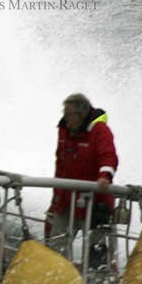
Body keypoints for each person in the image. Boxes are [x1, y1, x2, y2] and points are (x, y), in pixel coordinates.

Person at [48, 92, 119, 270]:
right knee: (56, 245)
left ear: (80, 115)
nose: (65, 117)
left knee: (97, 249)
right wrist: (55, 197)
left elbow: (108, 156)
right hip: (65, 200)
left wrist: (104, 177)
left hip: (95, 203)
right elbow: (60, 163)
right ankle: (58, 279)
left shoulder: (100, 131)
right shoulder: (64, 130)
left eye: (68, 114)